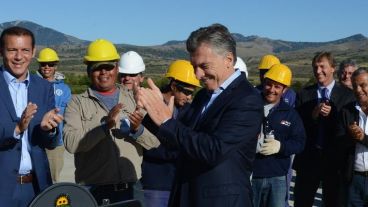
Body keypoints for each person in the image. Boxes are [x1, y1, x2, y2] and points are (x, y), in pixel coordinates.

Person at [135, 23, 263, 207]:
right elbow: (181, 138)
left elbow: (214, 150)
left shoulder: (246, 99)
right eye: (194, 66)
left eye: (204, 66)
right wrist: (152, 112)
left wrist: (166, 120)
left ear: (228, 59)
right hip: (187, 194)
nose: (197, 74)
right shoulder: (204, 95)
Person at [63, 39, 159, 206]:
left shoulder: (134, 99)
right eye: (97, 68)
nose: (103, 72)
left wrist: (137, 130)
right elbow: (71, 144)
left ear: (116, 68)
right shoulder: (76, 103)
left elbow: (155, 144)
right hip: (94, 190)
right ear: (88, 71)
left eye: (108, 67)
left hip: (132, 188)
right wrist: (104, 126)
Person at [0, 26, 64, 207]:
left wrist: (48, 130)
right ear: (1, 51)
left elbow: (50, 143)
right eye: (12, 50)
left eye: (25, 50)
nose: (19, 57)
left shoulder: (43, 87)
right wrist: (17, 129)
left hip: (36, 187)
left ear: (33, 52)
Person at [293, 52, 355, 207]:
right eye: (315, 67)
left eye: (322, 67)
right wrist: (313, 115)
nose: (318, 71)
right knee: (302, 202)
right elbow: (297, 128)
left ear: (333, 68)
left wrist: (333, 115)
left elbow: (346, 130)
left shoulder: (347, 96)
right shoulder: (303, 94)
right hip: (308, 161)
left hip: (335, 163)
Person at [141, 59, 201, 207]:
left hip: (180, 183)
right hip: (156, 183)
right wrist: (183, 151)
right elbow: (150, 148)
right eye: (186, 92)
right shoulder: (152, 108)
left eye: (192, 93)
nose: (189, 97)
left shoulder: (188, 111)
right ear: (173, 86)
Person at [251, 64, 306, 207]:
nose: (272, 90)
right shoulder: (250, 107)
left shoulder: (290, 114)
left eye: (277, 87)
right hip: (251, 174)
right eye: (269, 85)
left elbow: (300, 142)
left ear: (284, 90)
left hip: (277, 178)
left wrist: (281, 146)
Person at [36, 48, 72, 183]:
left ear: (55, 66)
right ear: (39, 65)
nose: (47, 67)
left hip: (56, 144)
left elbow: (69, 116)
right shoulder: (31, 84)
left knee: (53, 180)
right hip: (35, 141)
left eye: (50, 64)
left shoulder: (65, 89)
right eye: (43, 64)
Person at [336, 67, 368, 206]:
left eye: (363, 85)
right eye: (355, 86)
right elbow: (338, 143)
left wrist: (363, 138)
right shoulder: (346, 111)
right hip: (354, 179)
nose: (359, 90)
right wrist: (350, 137)